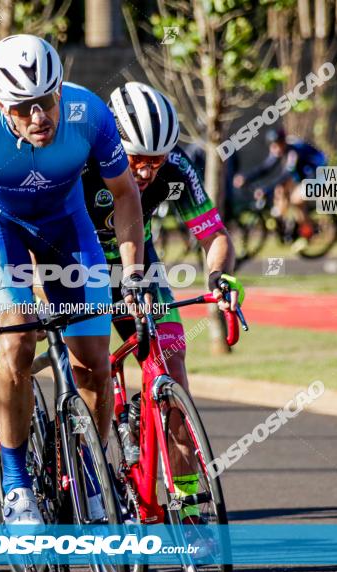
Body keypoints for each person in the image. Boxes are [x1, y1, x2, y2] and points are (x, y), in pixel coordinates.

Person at [0, 35, 146, 525]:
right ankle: (15, 485)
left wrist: (134, 274)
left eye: (47, 100)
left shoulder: (89, 113)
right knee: (16, 348)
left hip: (66, 225)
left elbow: (126, 195)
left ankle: (90, 476)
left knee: (94, 364)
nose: (40, 117)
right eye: (24, 107)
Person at [82, 82, 242, 523]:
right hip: (79, 269)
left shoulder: (177, 168)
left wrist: (220, 275)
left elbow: (214, 234)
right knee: (89, 369)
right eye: (137, 159)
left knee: (172, 373)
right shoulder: (81, 163)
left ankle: (188, 500)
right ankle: (85, 471)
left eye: (158, 159)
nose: (148, 171)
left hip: (141, 271)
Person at [233, 128, 326, 249]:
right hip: (303, 173)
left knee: (296, 199)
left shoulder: (294, 151)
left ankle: (307, 233)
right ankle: (284, 218)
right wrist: (246, 178)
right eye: (273, 146)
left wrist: (265, 189)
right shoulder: (279, 148)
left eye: (277, 145)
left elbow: (287, 174)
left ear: (283, 142)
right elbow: (266, 168)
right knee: (280, 190)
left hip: (318, 174)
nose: (275, 149)